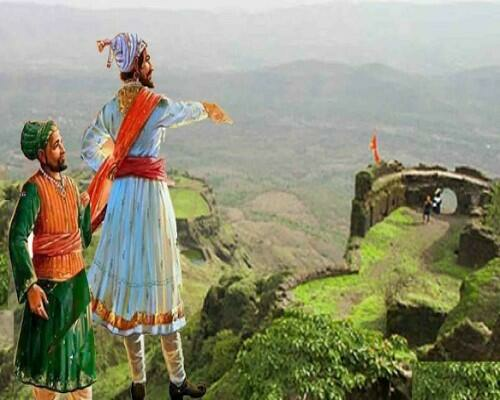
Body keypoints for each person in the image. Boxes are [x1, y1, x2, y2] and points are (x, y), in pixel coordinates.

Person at [81, 33, 232, 400]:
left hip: (122, 200)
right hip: (150, 200)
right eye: (147, 60)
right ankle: (177, 381)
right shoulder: (155, 104)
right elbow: (186, 111)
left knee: (129, 291)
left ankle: (138, 384)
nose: (152, 65)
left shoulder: (111, 108)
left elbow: (88, 147)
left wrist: (115, 164)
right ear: (137, 66)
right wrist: (210, 108)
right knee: (162, 284)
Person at [9, 120, 95, 399]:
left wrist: (85, 210)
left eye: (61, 143)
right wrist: (30, 286)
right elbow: (17, 237)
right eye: (56, 145)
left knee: (81, 383)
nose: (63, 150)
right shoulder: (32, 189)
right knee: (46, 383)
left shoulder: (71, 186)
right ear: (41, 154)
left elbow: (82, 240)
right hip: (48, 295)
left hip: (77, 291)